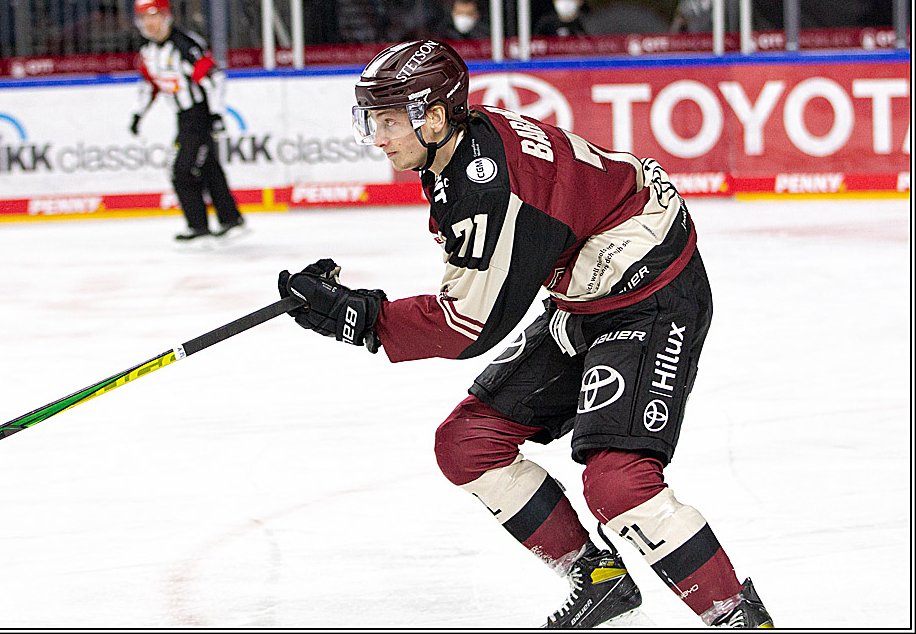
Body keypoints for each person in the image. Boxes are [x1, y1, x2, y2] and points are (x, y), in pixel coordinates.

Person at [277, 40, 774, 628]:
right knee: (466, 443)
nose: (378, 135)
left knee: (617, 484)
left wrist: (361, 318)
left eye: (389, 119)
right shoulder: (458, 149)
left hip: (652, 300)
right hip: (589, 297)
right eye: (372, 120)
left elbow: (469, 324)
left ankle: (735, 615)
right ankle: (599, 579)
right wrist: (354, 310)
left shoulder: (484, 188)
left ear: (434, 116)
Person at [128, 0, 245, 241]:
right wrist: (139, 115)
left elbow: (214, 79)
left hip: (198, 115)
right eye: (143, 17)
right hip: (182, 115)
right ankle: (231, 219)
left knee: (181, 169)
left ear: (167, 16)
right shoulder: (148, 51)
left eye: (154, 15)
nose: (149, 23)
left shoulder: (184, 46)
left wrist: (215, 114)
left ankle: (198, 226)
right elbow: (150, 85)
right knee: (208, 167)